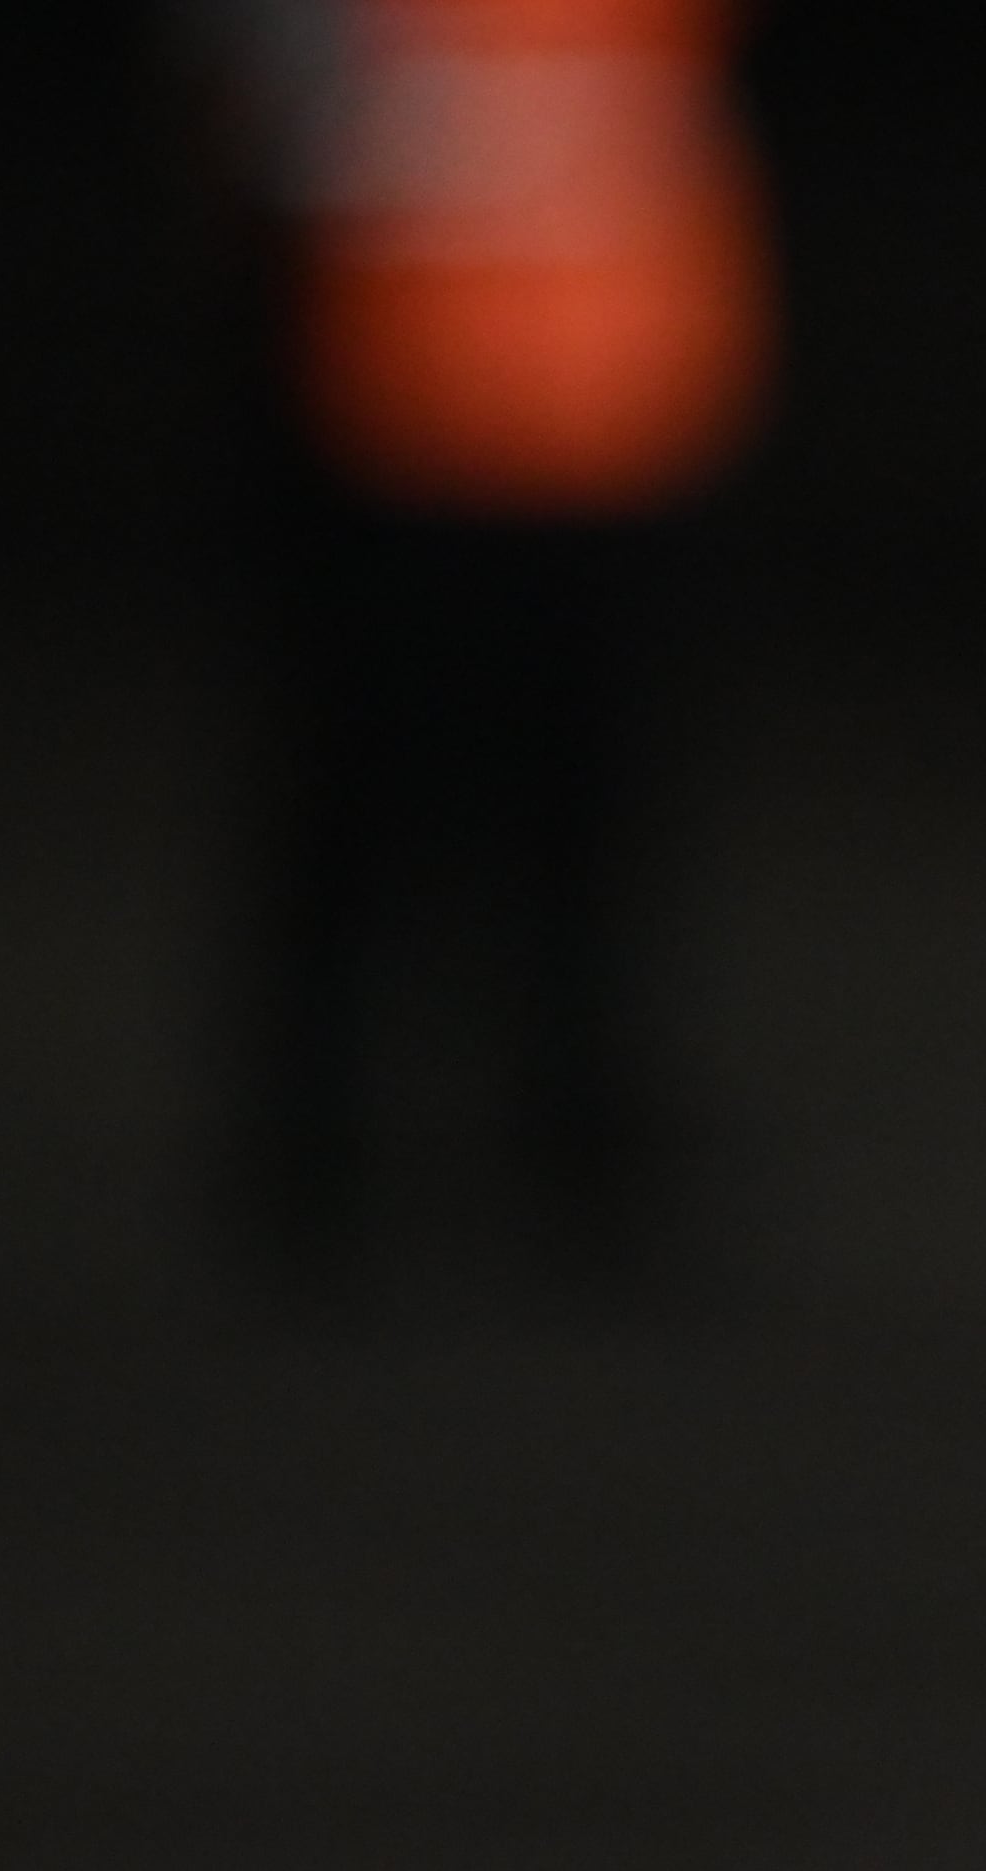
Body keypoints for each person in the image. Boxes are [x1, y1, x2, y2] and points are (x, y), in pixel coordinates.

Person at [204, 0, 773, 1287]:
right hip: (400, 404)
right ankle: (321, 1154)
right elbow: (262, 118)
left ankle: (579, 1145)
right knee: (370, 794)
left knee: (594, 803)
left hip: (620, 402)